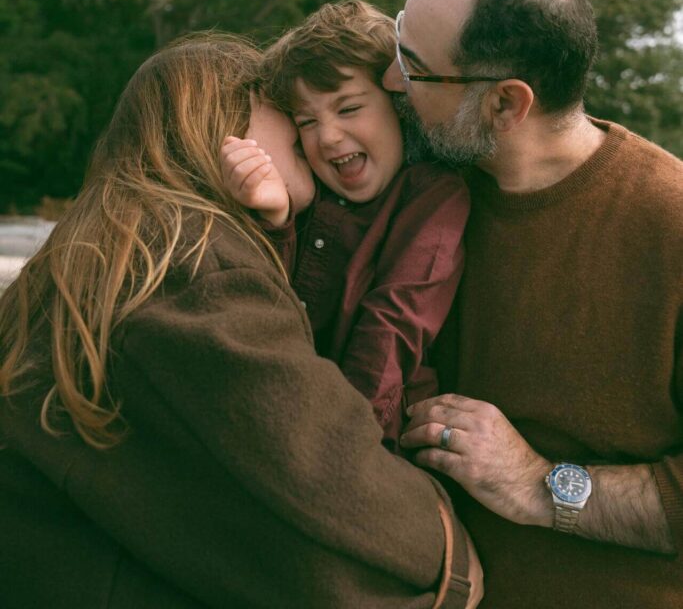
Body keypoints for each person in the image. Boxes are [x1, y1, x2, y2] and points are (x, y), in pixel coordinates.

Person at [0, 33, 481, 609]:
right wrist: (452, 553)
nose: (313, 137)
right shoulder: (198, 263)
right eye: (289, 115)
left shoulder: (105, 244)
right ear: (228, 126)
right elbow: (333, 480)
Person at [380, 0, 683, 609]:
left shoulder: (669, 221)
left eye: (413, 66)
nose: (387, 80)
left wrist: (541, 485)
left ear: (503, 106)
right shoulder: (412, 183)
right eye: (395, 39)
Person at [222, 0, 469, 448]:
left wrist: (345, 443)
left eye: (349, 108)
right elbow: (268, 316)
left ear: (400, 102)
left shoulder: (433, 195)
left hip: (371, 434)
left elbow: (394, 323)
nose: (328, 136)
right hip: (283, 416)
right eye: (307, 121)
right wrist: (276, 220)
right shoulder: (308, 197)